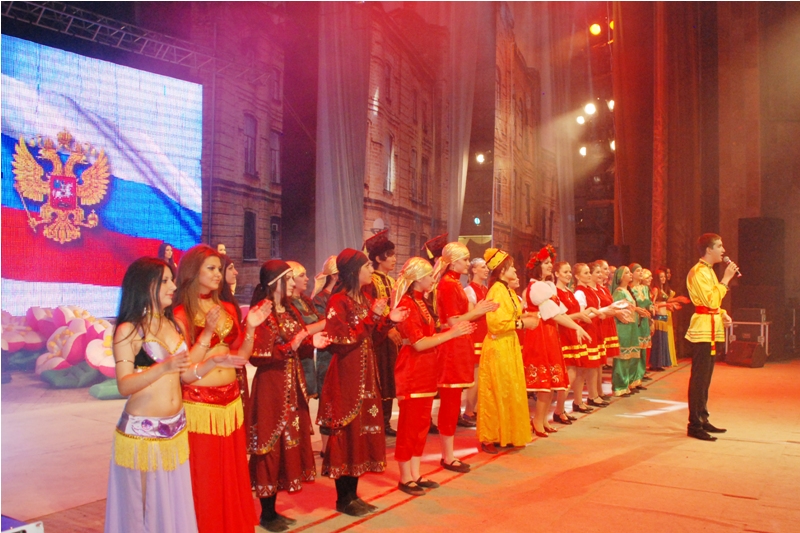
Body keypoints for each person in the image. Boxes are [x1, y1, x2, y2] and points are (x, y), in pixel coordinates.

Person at [106, 257, 246, 533]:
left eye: (172, 280)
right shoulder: (129, 330)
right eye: (165, 282)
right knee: (141, 511)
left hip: (176, 430)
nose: (173, 287)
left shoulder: (173, 325)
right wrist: (163, 368)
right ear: (146, 285)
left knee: (171, 509)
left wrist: (212, 361)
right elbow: (124, 385)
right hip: (142, 433)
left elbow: (186, 374)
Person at [173, 244, 271, 533]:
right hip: (199, 405)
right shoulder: (180, 313)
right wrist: (206, 333)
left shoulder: (227, 308)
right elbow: (184, 369)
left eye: (219, 268)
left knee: (231, 472)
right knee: (205, 474)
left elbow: (241, 356)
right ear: (193, 272)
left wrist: (251, 328)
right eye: (212, 269)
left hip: (230, 402)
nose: (219, 274)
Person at [317, 249, 408, 516]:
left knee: (361, 433)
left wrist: (387, 320)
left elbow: (372, 338)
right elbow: (341, 341)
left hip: (366, 374)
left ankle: (353, 495)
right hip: (346, 376)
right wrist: (373, 317)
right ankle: (343, 498)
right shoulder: (338, 301)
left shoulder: (366, 298)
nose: (371, 270)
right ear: (354, 271)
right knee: (347, 433)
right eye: (367, 266)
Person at [248, 260, 330, 532]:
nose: (294, 283)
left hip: (293, 384)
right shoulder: (263, 311)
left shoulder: (291, 309)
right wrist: (292, 346)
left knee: (288, 442)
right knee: (270, 444)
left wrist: (310, 342)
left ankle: (273, 508)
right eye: (289, 279)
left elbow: (299, 344)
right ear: (276, 283)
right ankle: (267, 512)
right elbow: (257, 355)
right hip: (271, 387)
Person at [392, 257, 475, 495]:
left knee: (420, 424)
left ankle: (415, 473)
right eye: (428, 275)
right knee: (409, 425)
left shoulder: (420, 302)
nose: (432, 278)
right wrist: (452, 333)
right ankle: (405, 476)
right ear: (417, 279)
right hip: (413, 369)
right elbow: (418, 343)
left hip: (427, 368)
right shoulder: (407, 304)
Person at [433, 242, 498, 471]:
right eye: (465, 259)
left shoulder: (453, 283)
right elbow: (453, 321)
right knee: (450, 401)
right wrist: (478, 311)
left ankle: (448, 453)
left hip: (458, 344)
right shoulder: (449, 284)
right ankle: (447, 455)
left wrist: (478, 310)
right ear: (453, 262)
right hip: (452, 345)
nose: (467, 263)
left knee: (453, 402)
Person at [522, 246, 590, 437]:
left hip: (550, 333)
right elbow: (553, 314)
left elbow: (560, 312)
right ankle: (537, 420)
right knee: (544, 382)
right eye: (545, 263)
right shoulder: (536, 287)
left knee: (552, 381)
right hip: (540, 334)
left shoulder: (547, 286)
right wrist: (576, 327)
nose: (549, 265)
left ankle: (543, 419)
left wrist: (576, 326)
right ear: (537, 266)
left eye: (550, 262)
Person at [477, 249, 537, 454]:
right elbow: (495, 324)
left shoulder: (507, 290)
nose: (515, 270)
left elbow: (511, 317)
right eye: (511, 267)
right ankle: (489, 436)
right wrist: (523, 324)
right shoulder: (496, 291)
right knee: (495, 390)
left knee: (510, 388)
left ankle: (508, 433)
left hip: (509, 344)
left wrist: (525, 318)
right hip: (498, 346)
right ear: (502, 270)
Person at [685, 233, 737, 441]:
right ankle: (694, 424)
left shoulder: (708, 271)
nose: (723, 250)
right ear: (708, 249)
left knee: (706, 378)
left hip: (711, 328)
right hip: (702, 331)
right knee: (699, 378)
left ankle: (703, 417)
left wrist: (722, 314)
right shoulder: (698, 271)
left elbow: (714, 303)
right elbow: (710, 300)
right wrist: (726, 279)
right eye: (719, 246)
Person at [363, 230, 400, 437]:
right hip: (378, 337)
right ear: (378, 258)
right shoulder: (371, 282)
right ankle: (377, 420)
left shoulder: (393, 282)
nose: (394, 259)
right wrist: (388, 327)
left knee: (390, 376)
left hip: (391, 337)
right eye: (390, 255)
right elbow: (370, 310)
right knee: (381, 376)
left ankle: (386, 420)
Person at [554, 262, 597, 417]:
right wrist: (578, 316)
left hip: (573, 333)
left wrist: (587, 312)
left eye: (569, 272)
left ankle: (567, 407)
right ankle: (559, 410)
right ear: (556, 274)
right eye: (564, 272)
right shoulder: (556, 293)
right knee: (569, 374)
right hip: (563, 334)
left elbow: (575, 314)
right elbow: (558, 317)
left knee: (578, 371)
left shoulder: (569, 292)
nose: (568, 275)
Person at [286, 261, 327, 400]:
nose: (307, 278)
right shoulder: (287, 303)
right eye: (302, 275)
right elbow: (301, 331)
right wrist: (324, 323)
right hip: (295, 358)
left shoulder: (304, 300)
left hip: (308, 357)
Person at [311, 255, 339, 456]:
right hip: (327, 356)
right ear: (335, 275)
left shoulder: (343, 296)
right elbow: (323, 326)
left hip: (341, 355)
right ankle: (326, 447)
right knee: (328, 400)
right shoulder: (320, 299)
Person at [461, 257, 490, 427]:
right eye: (483, 267)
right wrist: (482, 309)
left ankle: (478, 408)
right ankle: (468, 411)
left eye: (486, 267)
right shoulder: (469, 290)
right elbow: (470, 314)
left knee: (484, 375)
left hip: (487, 335)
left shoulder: (486, 289)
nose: (486, 270)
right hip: (476, 336)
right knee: (476, 376)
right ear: (474, 270)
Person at [610, 266, 641, 397]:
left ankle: (627, 383)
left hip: (631, 326)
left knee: (631, 355)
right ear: (621, 277)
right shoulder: (619, 292)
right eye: (627, 273)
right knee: (622, 356)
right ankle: (619, 386)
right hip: (623, 326)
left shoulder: (627, 291)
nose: (630, 275)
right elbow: (616, 309)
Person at [629, 264, 653, 387]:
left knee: (643, 350)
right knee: (636, 350)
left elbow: (649, 304)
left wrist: (651, 317)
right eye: (637, 271)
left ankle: (640, 376)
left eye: (641, 271)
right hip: (636, 320)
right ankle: (633, 378)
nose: (640, 273)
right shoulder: (629, 289)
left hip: (644, 321)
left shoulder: (645, 288)